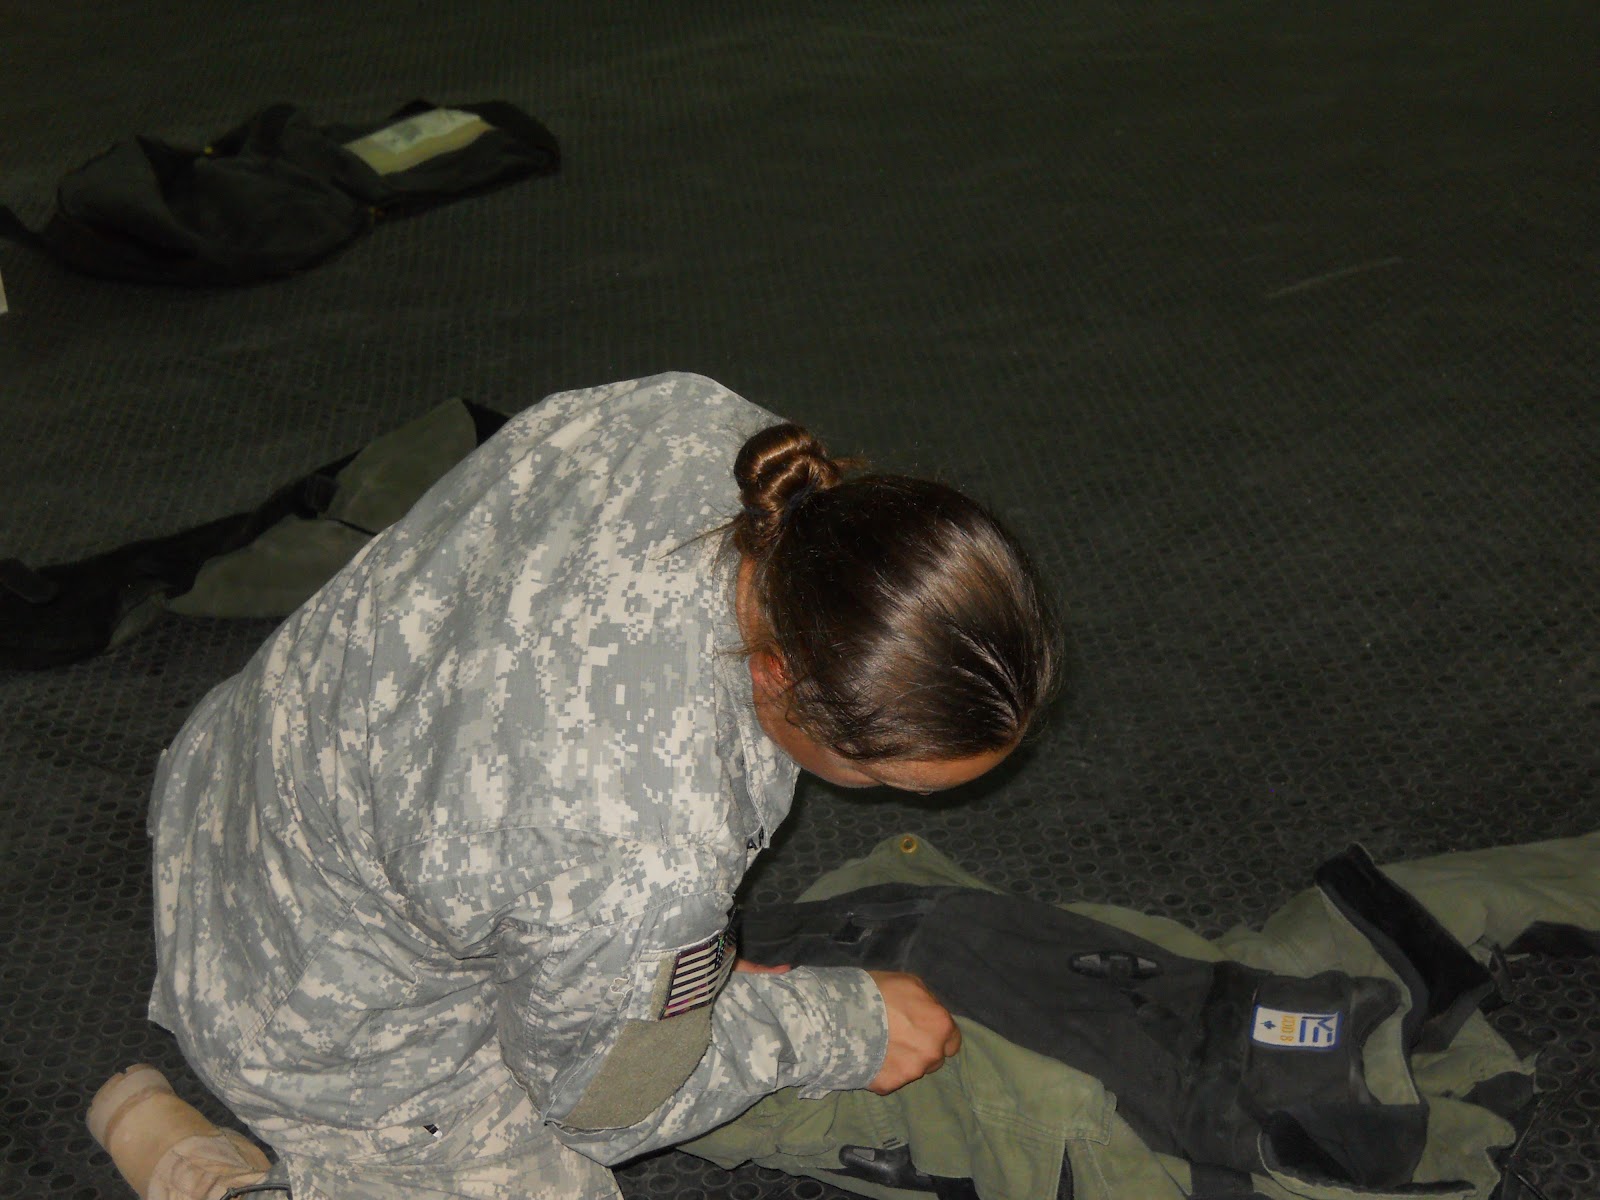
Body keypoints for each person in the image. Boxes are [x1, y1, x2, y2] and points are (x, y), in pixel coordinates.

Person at [92, 372, 1060, 1200]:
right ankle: (222, 1175)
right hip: (316, 1008)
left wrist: (655, 973)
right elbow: (607, 1108)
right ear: (773, 676)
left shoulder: (714, 431)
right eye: (887, 778)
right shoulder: (646, 843)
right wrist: (844, 1027)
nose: (905, 800)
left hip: (247, 774)